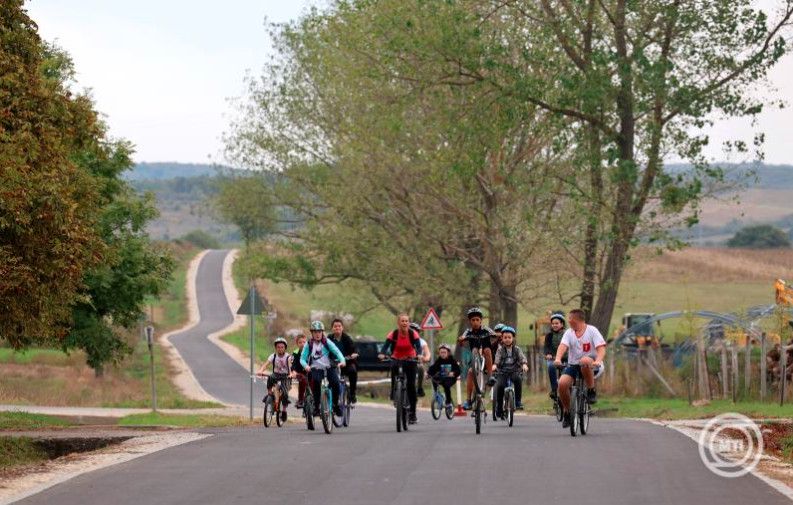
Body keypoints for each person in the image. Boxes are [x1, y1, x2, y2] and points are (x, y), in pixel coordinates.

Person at [553, 309, 606, 428]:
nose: (569, 321)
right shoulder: (569, 332)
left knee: (585, 361)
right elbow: (563, 346)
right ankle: (567, 411)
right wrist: (558, 358)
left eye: (570, 319)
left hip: (592, 365)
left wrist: (598, 360)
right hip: (573, 365)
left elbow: (601, 348)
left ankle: (591, 390)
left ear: (577, 320)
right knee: (562, 384)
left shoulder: (592, 331)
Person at [379, 313, 423, 424]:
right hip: (397, 358)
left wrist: (419, 355)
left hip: (410, 359)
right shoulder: (393, 334)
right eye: (402, 321)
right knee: (394, 370)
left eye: (406, 321)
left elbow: (418, 347)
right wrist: (382, 354)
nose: (404, 323)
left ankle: (412, 412)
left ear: (408, 323)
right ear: (398, 323)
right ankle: (395, 394)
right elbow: (385, 347)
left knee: (411, 386)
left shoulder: (413, 334)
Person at [300, 321, 346, 417]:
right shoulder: (309, 344)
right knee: (316, 382)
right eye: (315, 332)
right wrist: (306, 366)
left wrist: (342, 361)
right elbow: (302, 359)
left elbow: (337, 352)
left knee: (336, 383)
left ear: (322, 332)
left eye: (319, 332)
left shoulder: (327, 342)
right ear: (312, 333)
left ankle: (335, 404)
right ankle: (316, 407)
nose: (317, 334)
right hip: (316, 368)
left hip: (329, 367)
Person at [457, 307, 495, 410]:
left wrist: (497, 336)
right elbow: (462, 339)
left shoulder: (486, 329)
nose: (475, 322)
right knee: (470, 371)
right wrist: (461, 339)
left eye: (477, 320)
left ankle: (490, 376)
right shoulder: (468, 331)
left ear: (481, 320)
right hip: (475, 358)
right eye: (473, 320)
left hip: (486, 356)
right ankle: (468, 400)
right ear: (470, 321)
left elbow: (494, 335)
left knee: (487, 350)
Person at [491, 326, 528, 417]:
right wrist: (495, 365)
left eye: (509, 337)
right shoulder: (500, 350)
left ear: (513, 338)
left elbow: (522, 358)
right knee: (500, 386)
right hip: (502, 372)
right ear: (502, 339)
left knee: (518, 380)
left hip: (514, 371)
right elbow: (497, 359)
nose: (507, 339)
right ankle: (499, 407)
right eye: (505, 337)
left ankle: (518, 401)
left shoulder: (517, 349)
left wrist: (524, 364)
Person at [327, 318, 359, 403]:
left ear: (342, 328)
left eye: (339, 326)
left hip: (346, 363)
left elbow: (353, 348)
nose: (337, 328)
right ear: (332, 328)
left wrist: (354, 353)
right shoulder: (329, 338)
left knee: (353, 371)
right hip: (333, 364)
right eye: (335, 326)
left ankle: (352, 394)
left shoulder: (346, 338)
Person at [257, 337, 295, 404]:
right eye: (278, 347)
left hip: (286, 376)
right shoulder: (273, 356)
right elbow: (266, 364)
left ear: (285, 348)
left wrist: (291, 374)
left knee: (285, 393)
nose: (280, 349)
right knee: (270, 377)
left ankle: (284, 407)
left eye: (282, 347)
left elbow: (291, 367)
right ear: (275, 348)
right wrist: (261, 370)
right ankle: (269, 393)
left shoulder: (288, 357)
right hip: (276, 374)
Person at [426, 343, 460, 408]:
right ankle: (437, 394)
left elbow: (458, 370)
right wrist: (428, 374)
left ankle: (449, 402)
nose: (443, 354)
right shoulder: (439, 360)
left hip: (451, 379)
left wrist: (453, 373)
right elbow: (433, 368)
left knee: (446, 385)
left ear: (448, 353)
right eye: (441, 352)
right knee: (434, 379)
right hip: (442, 377)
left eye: (444, 352)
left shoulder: (452, 360)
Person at [544, 313, 567, 399]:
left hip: (566, 358)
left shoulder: (567, 334)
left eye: (557, 323)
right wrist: (548, 354)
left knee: (567, 371)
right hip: (553, 358)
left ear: (562, 324)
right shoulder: (549, 335)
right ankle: (554, 389)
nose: (554, 325)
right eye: (553, 323)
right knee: (550, 366)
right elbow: (546, 347)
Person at [410, 322, 432, 398]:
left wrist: (426, 358)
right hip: (404, 361)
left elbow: (427, 353)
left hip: (416, 362)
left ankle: (419, 387)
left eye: (416, 331)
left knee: (421, 368)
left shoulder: (422, 342)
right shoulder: (402, 339)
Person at [291, 332, 308, 409]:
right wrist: (294, 371)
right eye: (300, 342)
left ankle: (315, 401)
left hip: (309, 372)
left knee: (314, 382)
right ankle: (300, 400)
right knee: (303, 380)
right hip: (299, 373)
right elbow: (293, 364)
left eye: (304, 342)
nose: (302, 344)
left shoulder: (310, 351)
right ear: (297, 344)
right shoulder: (295, 353)